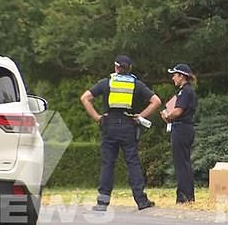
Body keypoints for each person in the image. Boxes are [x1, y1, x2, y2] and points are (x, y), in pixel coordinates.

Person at [80, 55, 161, 211]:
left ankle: (102, 202)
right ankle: (141, 201)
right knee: (133, 163)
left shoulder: (106, 83)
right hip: (128, 125)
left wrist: (97, 117)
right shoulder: (136, 84)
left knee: (108, 164)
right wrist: (140, 116)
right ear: (129, 68)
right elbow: (156, 101)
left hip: (109, 125)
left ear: (116, 67)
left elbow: (85, 98)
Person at [161, 63, 197, 203]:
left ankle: (184, 196)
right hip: (183, 128)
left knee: (181, 163)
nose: (173, 78)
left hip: (182, 129)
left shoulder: (185, 91)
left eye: (175, 75)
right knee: (184, 162)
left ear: (181, 76)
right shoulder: (185, 91)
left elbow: (177, 111)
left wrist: (167, 115)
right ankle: (187, 195)